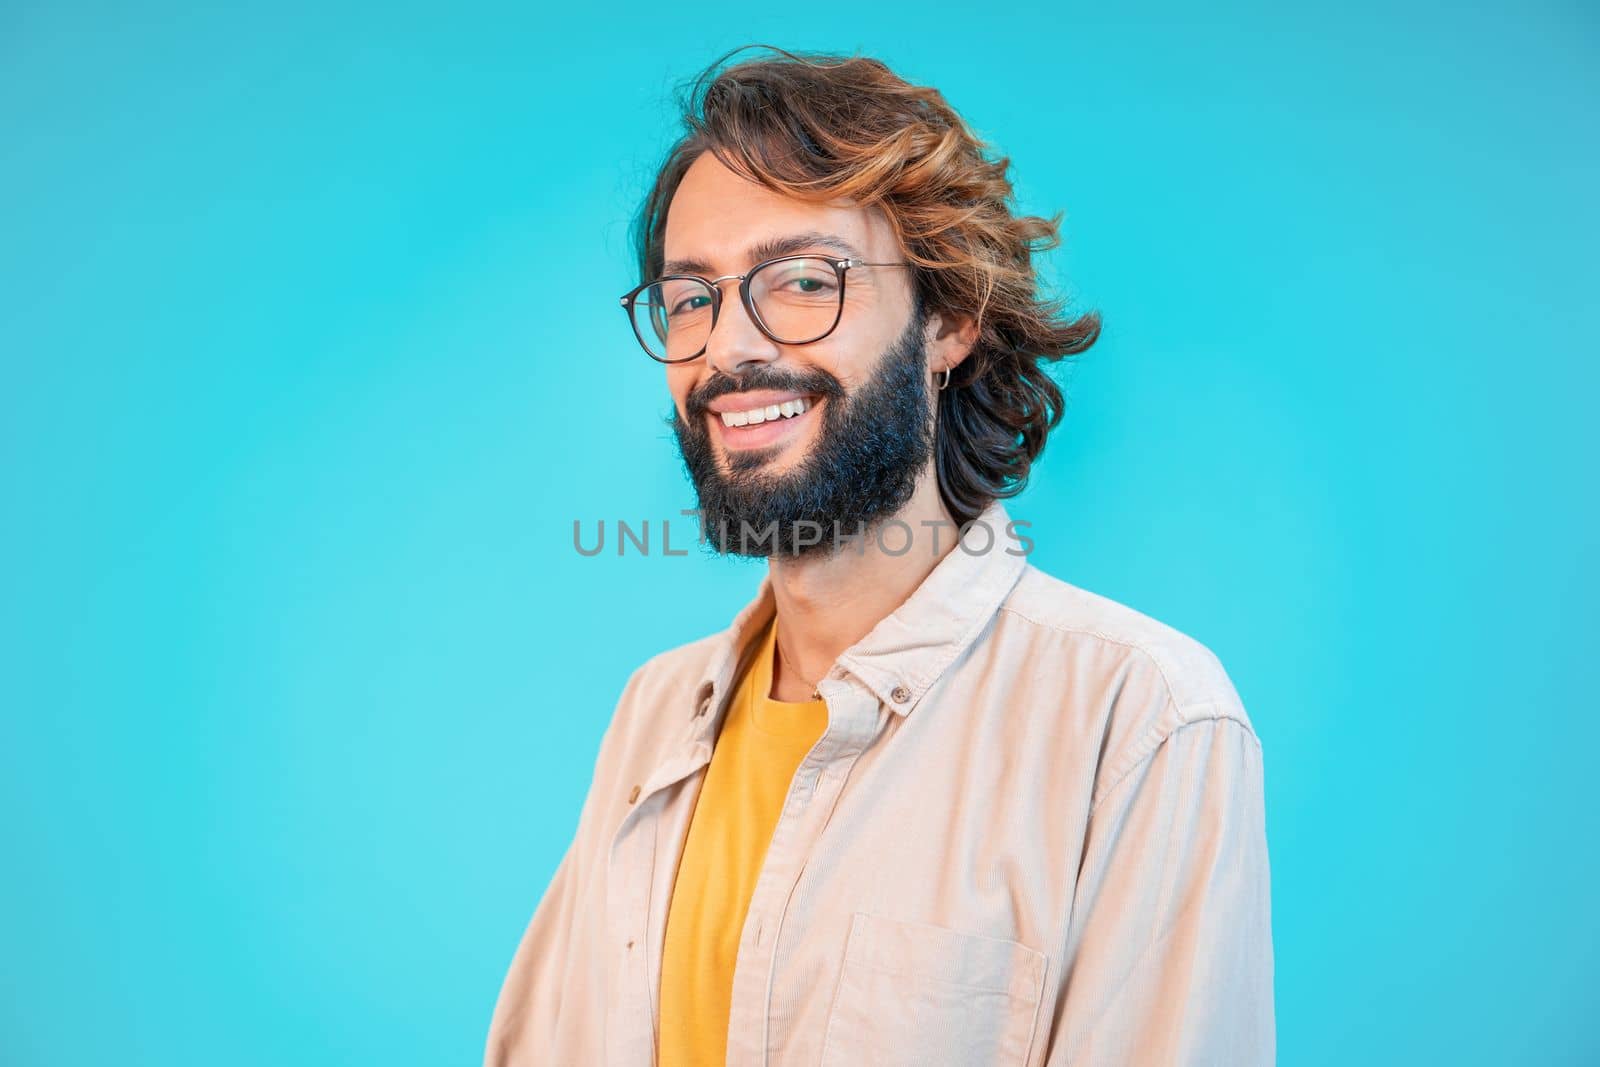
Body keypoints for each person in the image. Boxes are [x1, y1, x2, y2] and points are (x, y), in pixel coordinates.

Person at [485, 45, 1274, 1067]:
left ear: (948, 319)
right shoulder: (653, 715)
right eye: (691, 298)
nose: (728, 349)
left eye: (804, 280)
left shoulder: (1138, 718)